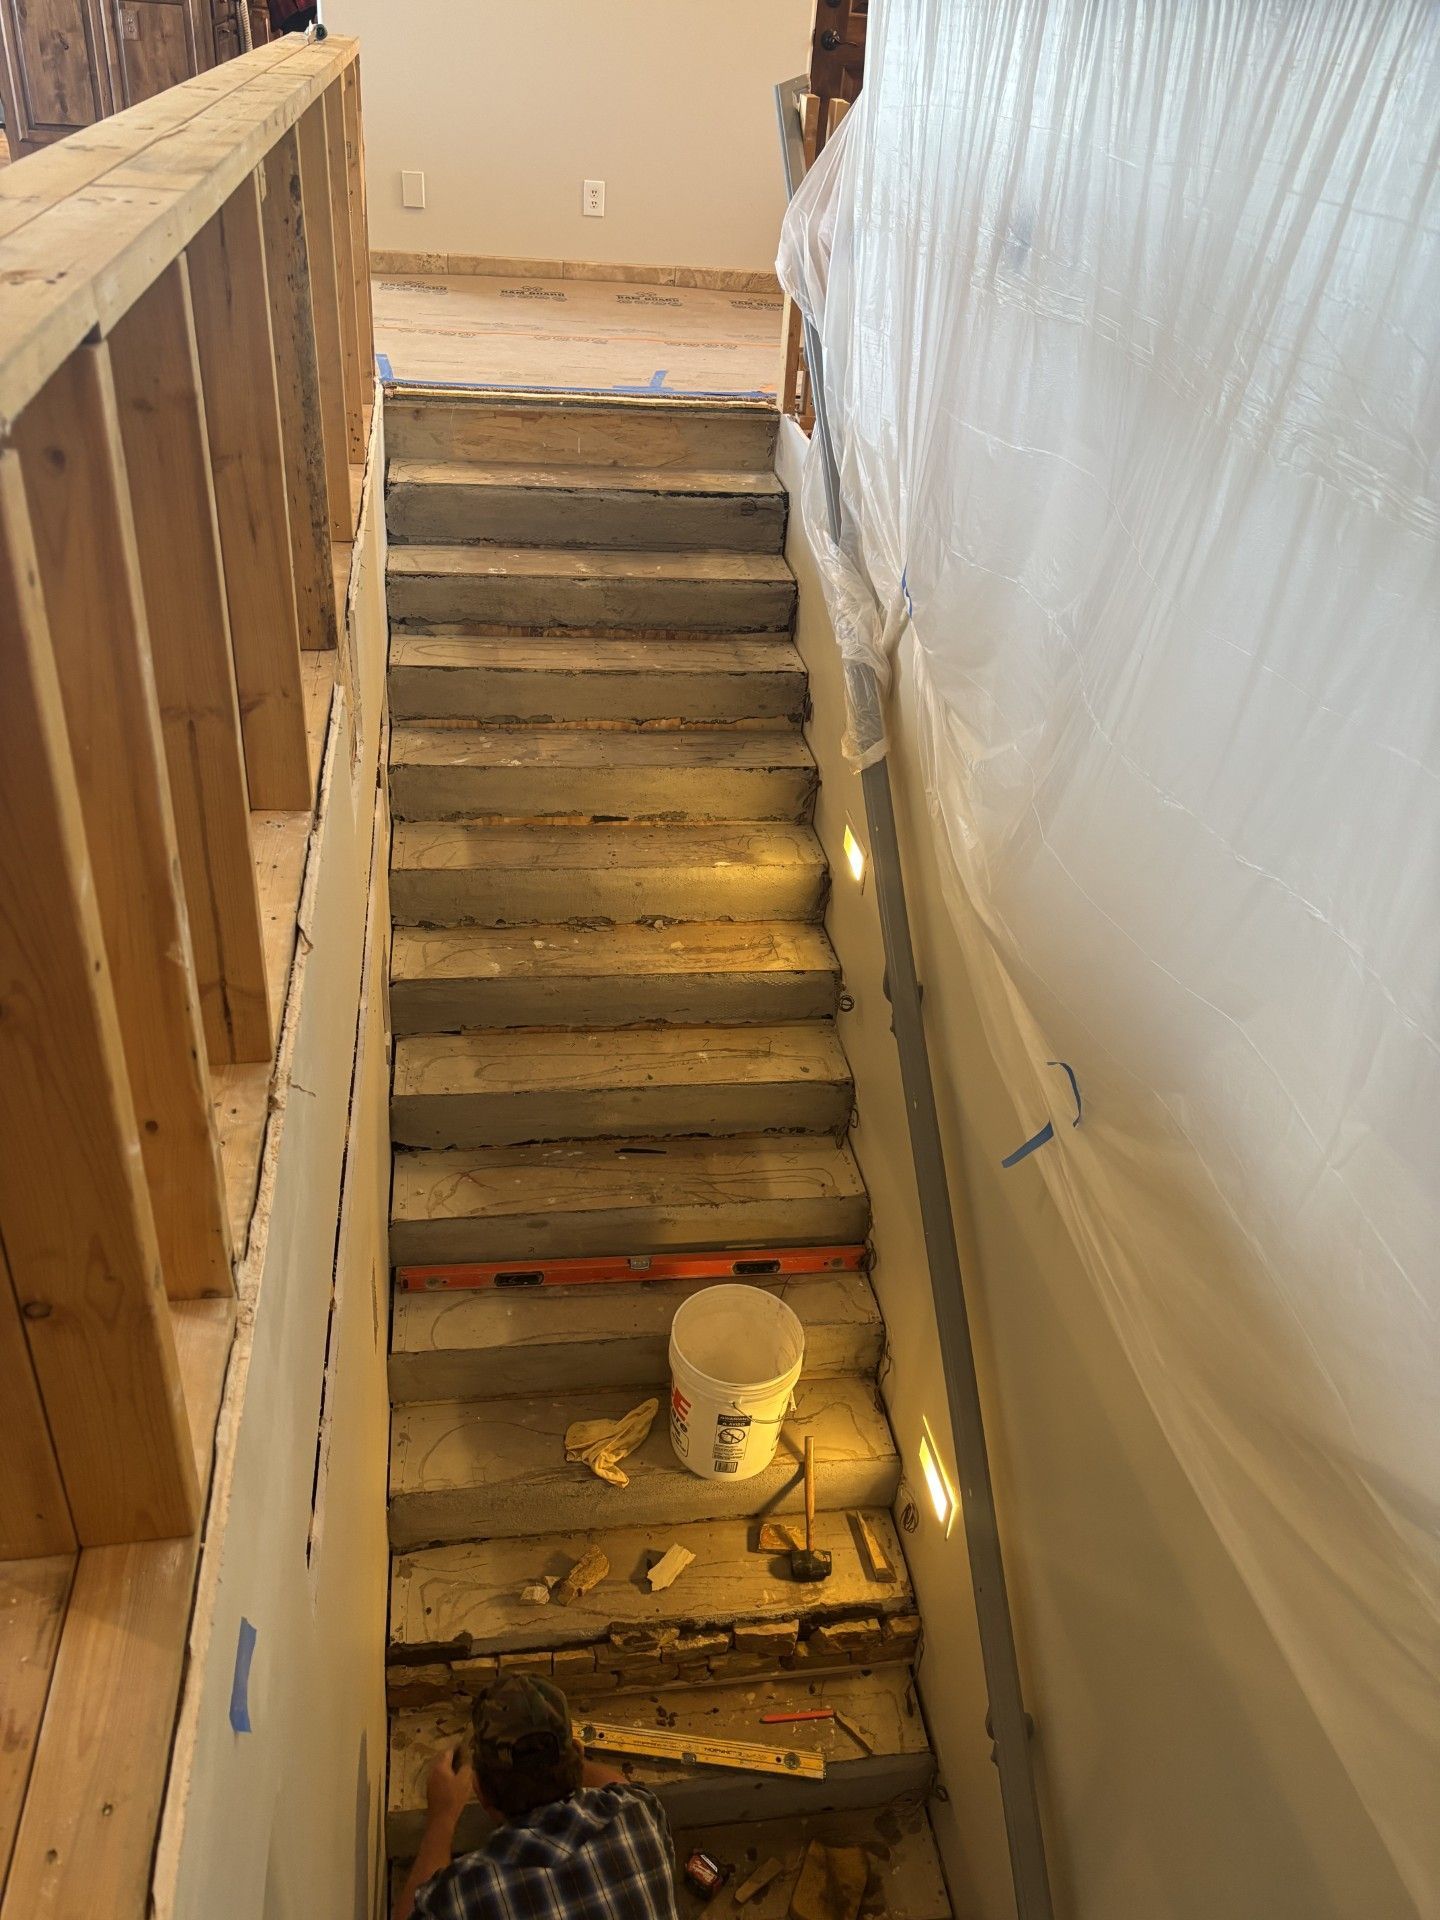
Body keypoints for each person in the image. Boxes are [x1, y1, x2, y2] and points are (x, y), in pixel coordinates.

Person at [397, 1672, 682, 1920]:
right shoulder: (637, 1814)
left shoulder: (467, 1895)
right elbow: (618, 1785)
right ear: (579, 1756)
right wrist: (561, 1758)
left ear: (480, 1792)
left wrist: (442, 1818)